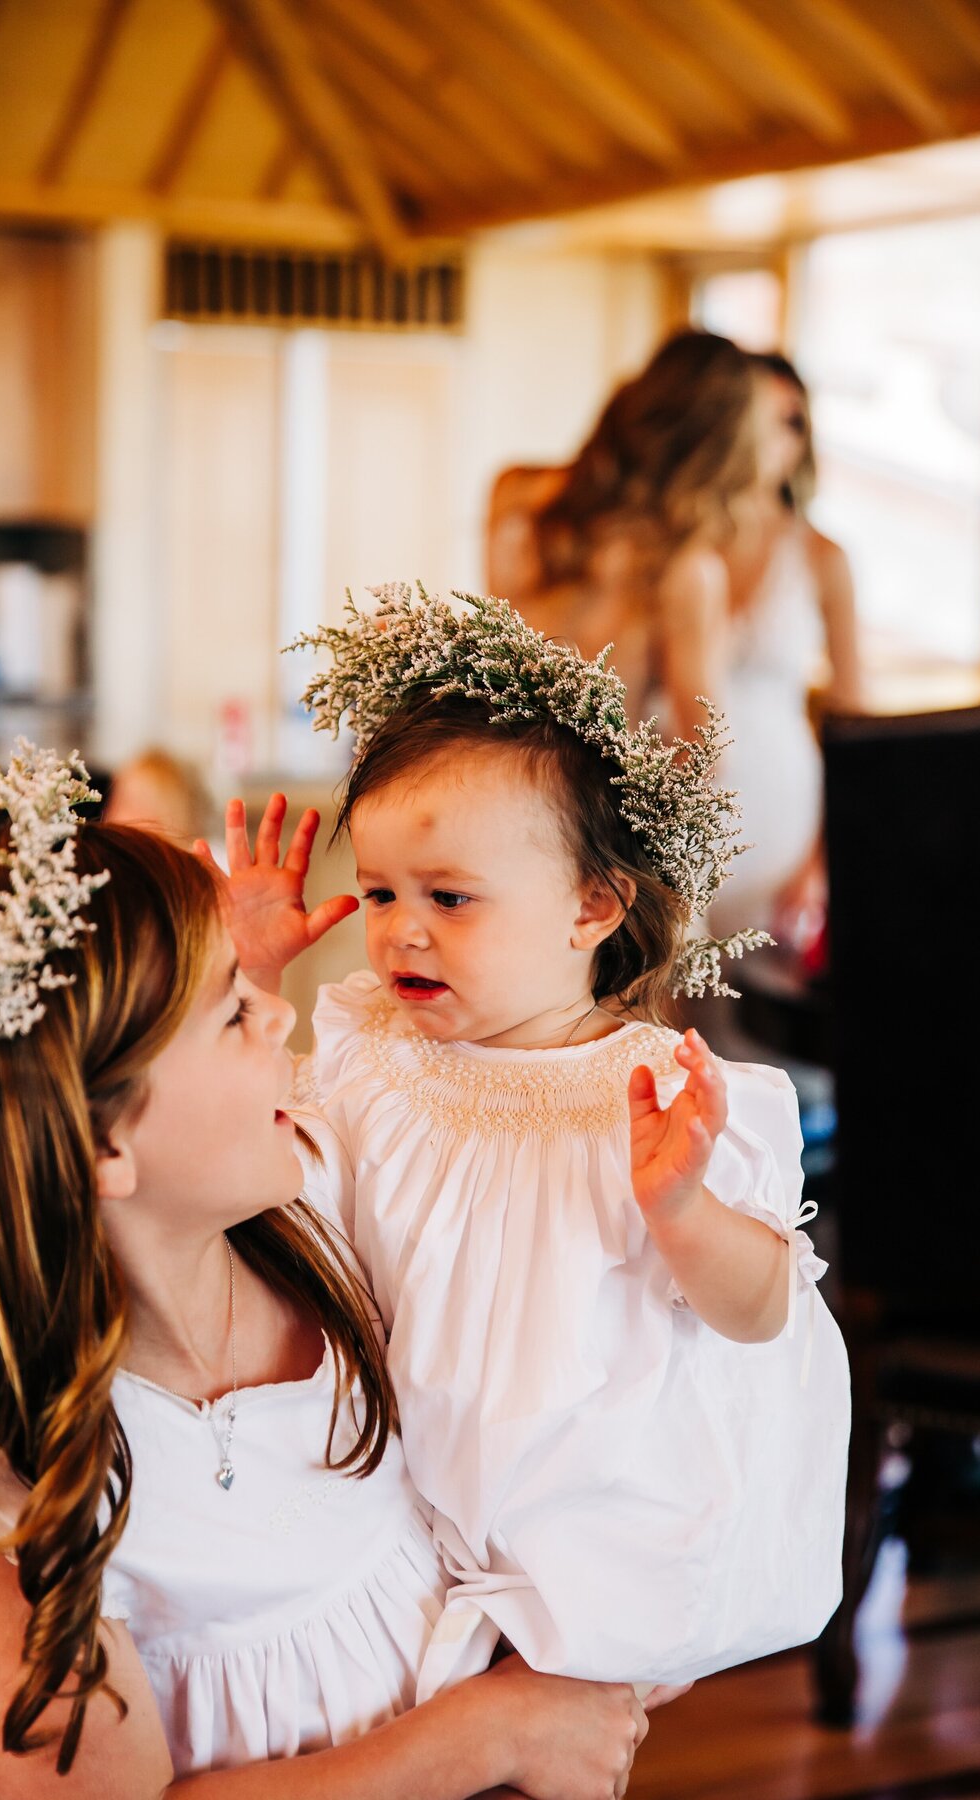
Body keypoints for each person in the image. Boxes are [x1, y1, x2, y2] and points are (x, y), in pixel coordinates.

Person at [0, 745, 647, 1798]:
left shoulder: (319, 1219)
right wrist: (491, 1737)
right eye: (234, 1012)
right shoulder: (2, 1478)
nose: (283, 1015)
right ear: (100, 1147)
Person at [218, 589, 851, 1705]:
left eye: (450, 898)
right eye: (377, 891)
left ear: (591, 908)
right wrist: (250, 982)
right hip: (390, 1514)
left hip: (588, 1550)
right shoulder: (376, 1045)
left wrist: (686, 1211)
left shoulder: (665, 1099)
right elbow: (264, 1156)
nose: (402, 928)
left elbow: (762, 1315)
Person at [484, 330, 760, 718]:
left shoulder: (514, 492)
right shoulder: (687, 571)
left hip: (500, 753)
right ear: (722, 451)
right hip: (597, 778)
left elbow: (500, 643)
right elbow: (703, 752)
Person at [702, 351, 861, 940]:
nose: (777, 437)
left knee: (753, 1010)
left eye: (794, 421)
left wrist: (824, 857)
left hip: (780, 814)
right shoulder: (676, 545)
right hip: (673, 802)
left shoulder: (822, 556)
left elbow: (854, 718)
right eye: (764, 416)